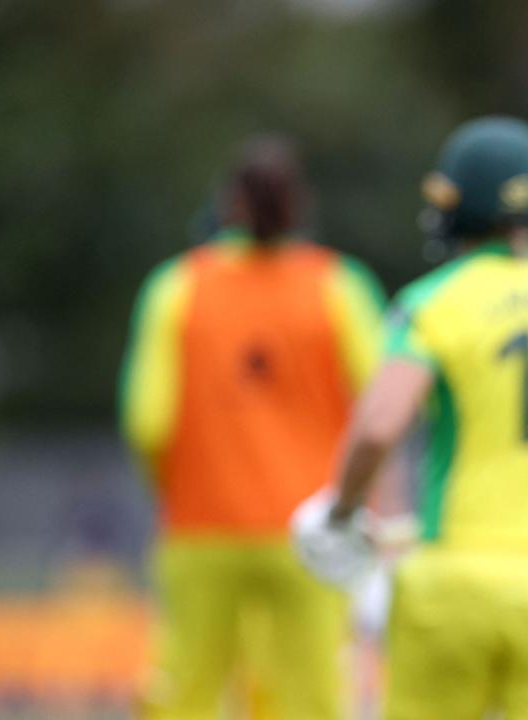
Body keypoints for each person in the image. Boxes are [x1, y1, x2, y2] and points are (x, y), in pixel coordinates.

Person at [296, 116, 528, 720]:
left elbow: (380, 427)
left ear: (452, 205)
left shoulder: (433, 301)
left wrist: (341, 513)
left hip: (451, 582)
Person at [119, 134, 386, 719]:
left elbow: (147, 421)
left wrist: (172, 489)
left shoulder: (176, 287)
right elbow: (381, 412)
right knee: (310, 697)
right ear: (299, 205)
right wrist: (365, 506)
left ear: (228, 202)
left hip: (200, 526)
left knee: (186, 694)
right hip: (312, 536)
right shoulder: (341, 287)